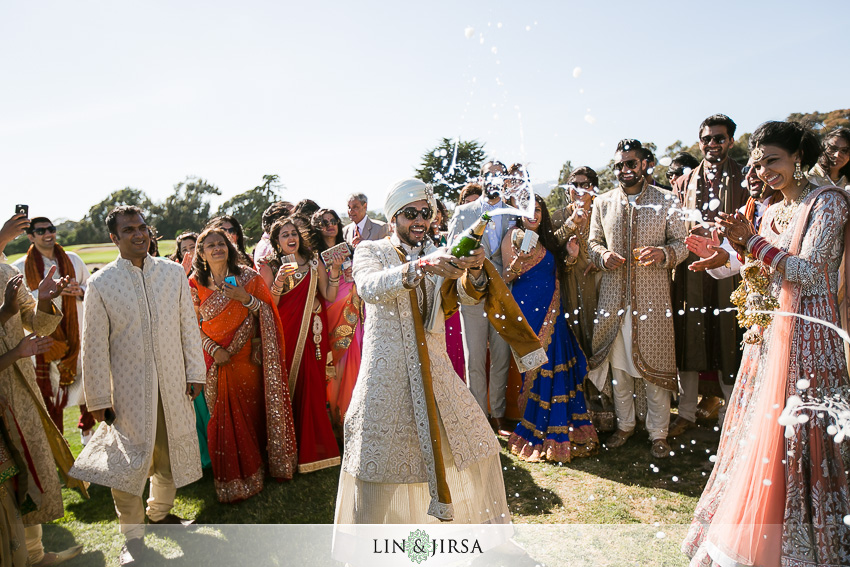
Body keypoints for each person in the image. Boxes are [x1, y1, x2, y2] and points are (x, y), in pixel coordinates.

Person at [685, 121, 850, 566]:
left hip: (808, 338)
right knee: (760, 434)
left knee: (802, 438)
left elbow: (812, 274)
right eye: (757, 163)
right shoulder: (772, 208)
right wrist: (725, 258)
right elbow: (760, 267)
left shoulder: (828, 203)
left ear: (798, 155)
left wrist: (751, 242)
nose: (763, 171)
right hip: (766, 336)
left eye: (771, 160)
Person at [334, 178, 514, 527]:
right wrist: (420, 267)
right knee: (378, 469)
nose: (420, 219)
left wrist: (474, 271)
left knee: (479, 445)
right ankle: (362, 553)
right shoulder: (372, 251)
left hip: (436, 371)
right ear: (392, 219)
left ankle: (488, 538)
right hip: (385, 378)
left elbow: (466, 296)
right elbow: (369, 287)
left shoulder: (439, 250)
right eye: (410, 213)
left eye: (426, 213)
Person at [69, 206, 206, 567]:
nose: (139, 234)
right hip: (127, 395)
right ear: (114, 238)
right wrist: (97, 398)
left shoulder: (173, 273)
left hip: (174, 385)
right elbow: (94, 346)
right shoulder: (101, 283)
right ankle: (132, 537)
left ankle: (160, 513)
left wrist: (195, 372)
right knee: (125, 468)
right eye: (128, 229)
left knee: (171, 458)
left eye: (142, 227)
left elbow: (187, 327)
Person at [588, 139, 688, 459]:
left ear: (645, 164)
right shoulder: (603, 203)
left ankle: (658, 432)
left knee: (655, 368)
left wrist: (663, 252)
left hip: (653, 300)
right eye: (619, 165)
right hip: (613, 300)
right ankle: (625, 425)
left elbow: (683, 243)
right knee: (619, 370)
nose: (624, 170)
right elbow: (593, 242)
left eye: (631, 163)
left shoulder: (667, 201)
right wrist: (603, 257)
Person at [189, 228, 297, 502]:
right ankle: (232, 479)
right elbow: (190, 325)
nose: (217, 249)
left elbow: (268, 313)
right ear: (201, 254)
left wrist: (243, 298)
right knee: (220, 417)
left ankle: (256, 468)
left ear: (230, 248)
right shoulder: (193, 284)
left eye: (221, 244)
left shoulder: (247, 277)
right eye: (210, 245)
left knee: (250, 413)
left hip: (246, 356)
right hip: (214, 359)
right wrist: (214, 349)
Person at [502, 194, 599, 462]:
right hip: (528, 309)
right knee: (538, 365)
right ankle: (536, 425)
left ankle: (562, 428)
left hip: (553, 308)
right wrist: (519, 260)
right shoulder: (513, 236)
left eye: (538, 210)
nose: (533, 215)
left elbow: (559, 270)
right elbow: (507, 277)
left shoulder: (546, 239)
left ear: (543, 214)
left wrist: (570, 257)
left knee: (556, 361)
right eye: (527, 210)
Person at [0, 265, 84, 567]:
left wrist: (46, 300)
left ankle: (35, 554)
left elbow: (39, 324)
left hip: (20, 390)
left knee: (28, 468)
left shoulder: (4, 271)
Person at [670, 114, 748, 437]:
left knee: (729, 342)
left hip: (731, 273)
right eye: (707, 139)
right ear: (699, 142)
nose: (712, 144)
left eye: (719, 138)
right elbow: (673, 227)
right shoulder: (683, 182)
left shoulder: (746, 177)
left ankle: (729, 419)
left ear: (731, 141)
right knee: (689, 340)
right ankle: (686, 413)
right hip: (690, 274)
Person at [259, 215, 342, 473]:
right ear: (276, 241)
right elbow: (269, 306)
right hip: (287, 332)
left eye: (293, 233)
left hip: (314, 332)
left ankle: (314, 449)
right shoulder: (269, 266)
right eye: (284, 235)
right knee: (286, 384)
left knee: (314, 386)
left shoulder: (315, 261)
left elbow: (328, 294)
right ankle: (287, 450)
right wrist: (279, 282)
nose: (290, 238)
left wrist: (336, 271)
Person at [11, 217, 95, 445]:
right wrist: (51, 294)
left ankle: (88, 436)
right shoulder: (20, 266)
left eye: (51, 229)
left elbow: (90, 287)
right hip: (47, 342)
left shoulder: (73, 260)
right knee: (52, 394)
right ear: (31, 236)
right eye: (41, 231)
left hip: (78, 336)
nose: (48, 234)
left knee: (85, 389)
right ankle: (59, 445)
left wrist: (79, 291)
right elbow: (22, 304)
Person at [447, 160, 515, 436]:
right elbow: (452, 246)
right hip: (471, 291)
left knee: (500, 356)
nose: (494, 179)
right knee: (474, 356)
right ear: (482, 178)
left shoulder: (513, 213)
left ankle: (498, 415)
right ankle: (479, 418)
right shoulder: (465, 212)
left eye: (499, 175)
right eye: (489, 175)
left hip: (503, 292)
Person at [552, 167, 615, 431]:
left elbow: (616, 246)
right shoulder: (558, 216)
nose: (580, 190)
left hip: (602, 288)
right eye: (575, 185)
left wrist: (600, 264)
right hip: (568, 286)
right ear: (567, 189)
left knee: (600, 341)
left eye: (586, 184)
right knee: (577, 341)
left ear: (594, 188)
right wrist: (571, 226)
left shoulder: (605, 212)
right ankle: (581, 409)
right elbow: (550, 248)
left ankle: (606, 407)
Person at [311, 208, 363, 431]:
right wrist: (334, 270)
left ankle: (358, 416)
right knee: (336, 366)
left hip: (356, 309)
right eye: (324, 222)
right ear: (316, 228)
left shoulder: (350, 249)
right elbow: (328, 295)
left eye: (333, 221)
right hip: (334, 313)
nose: (330, 225)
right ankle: (340, 420)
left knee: (357, 361)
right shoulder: (315, 257)